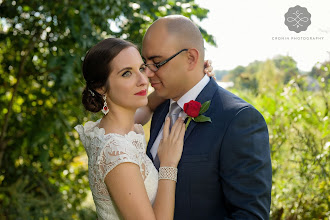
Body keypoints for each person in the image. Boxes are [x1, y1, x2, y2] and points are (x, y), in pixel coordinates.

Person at [142, 15, 272, 219]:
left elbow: (250, 215)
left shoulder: (239, 119)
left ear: (191, 58)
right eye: (145, 63)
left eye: (157, 63)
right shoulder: (160, 110)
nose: (148, 74)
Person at [74, 38, 214, 219]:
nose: (143, 80)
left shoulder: (112, 127)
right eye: (126, 73)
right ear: (100, 87)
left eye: (141, 68)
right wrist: (168, 165)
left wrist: (191, 76)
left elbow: (148, 106)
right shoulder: (117, 153)